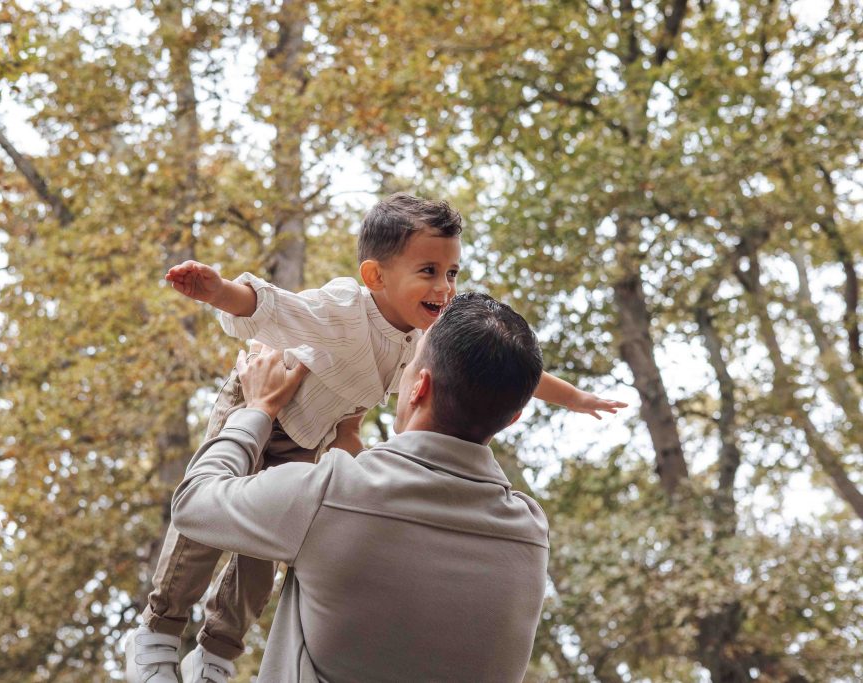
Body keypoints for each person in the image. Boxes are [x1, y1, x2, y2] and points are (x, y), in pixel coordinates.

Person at [125, 194, 625, 683]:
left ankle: (215, 650)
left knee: (258, 556)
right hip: (262, 401)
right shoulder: (344, 311)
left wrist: (574, 397)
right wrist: (219, 292)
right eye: (428, 271)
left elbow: (503, 367)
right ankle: (159, 629)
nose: (446, 287)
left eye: (452, 273)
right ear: (375, 276)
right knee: (202, 532)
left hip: (308, 439)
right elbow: (274, 307)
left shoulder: (422, 338)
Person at [169, 292, 552, 682]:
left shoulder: (332, 494)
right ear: (512, 419)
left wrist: (257, 411)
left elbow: (194, 502)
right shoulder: (530, 535)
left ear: (419, 386)